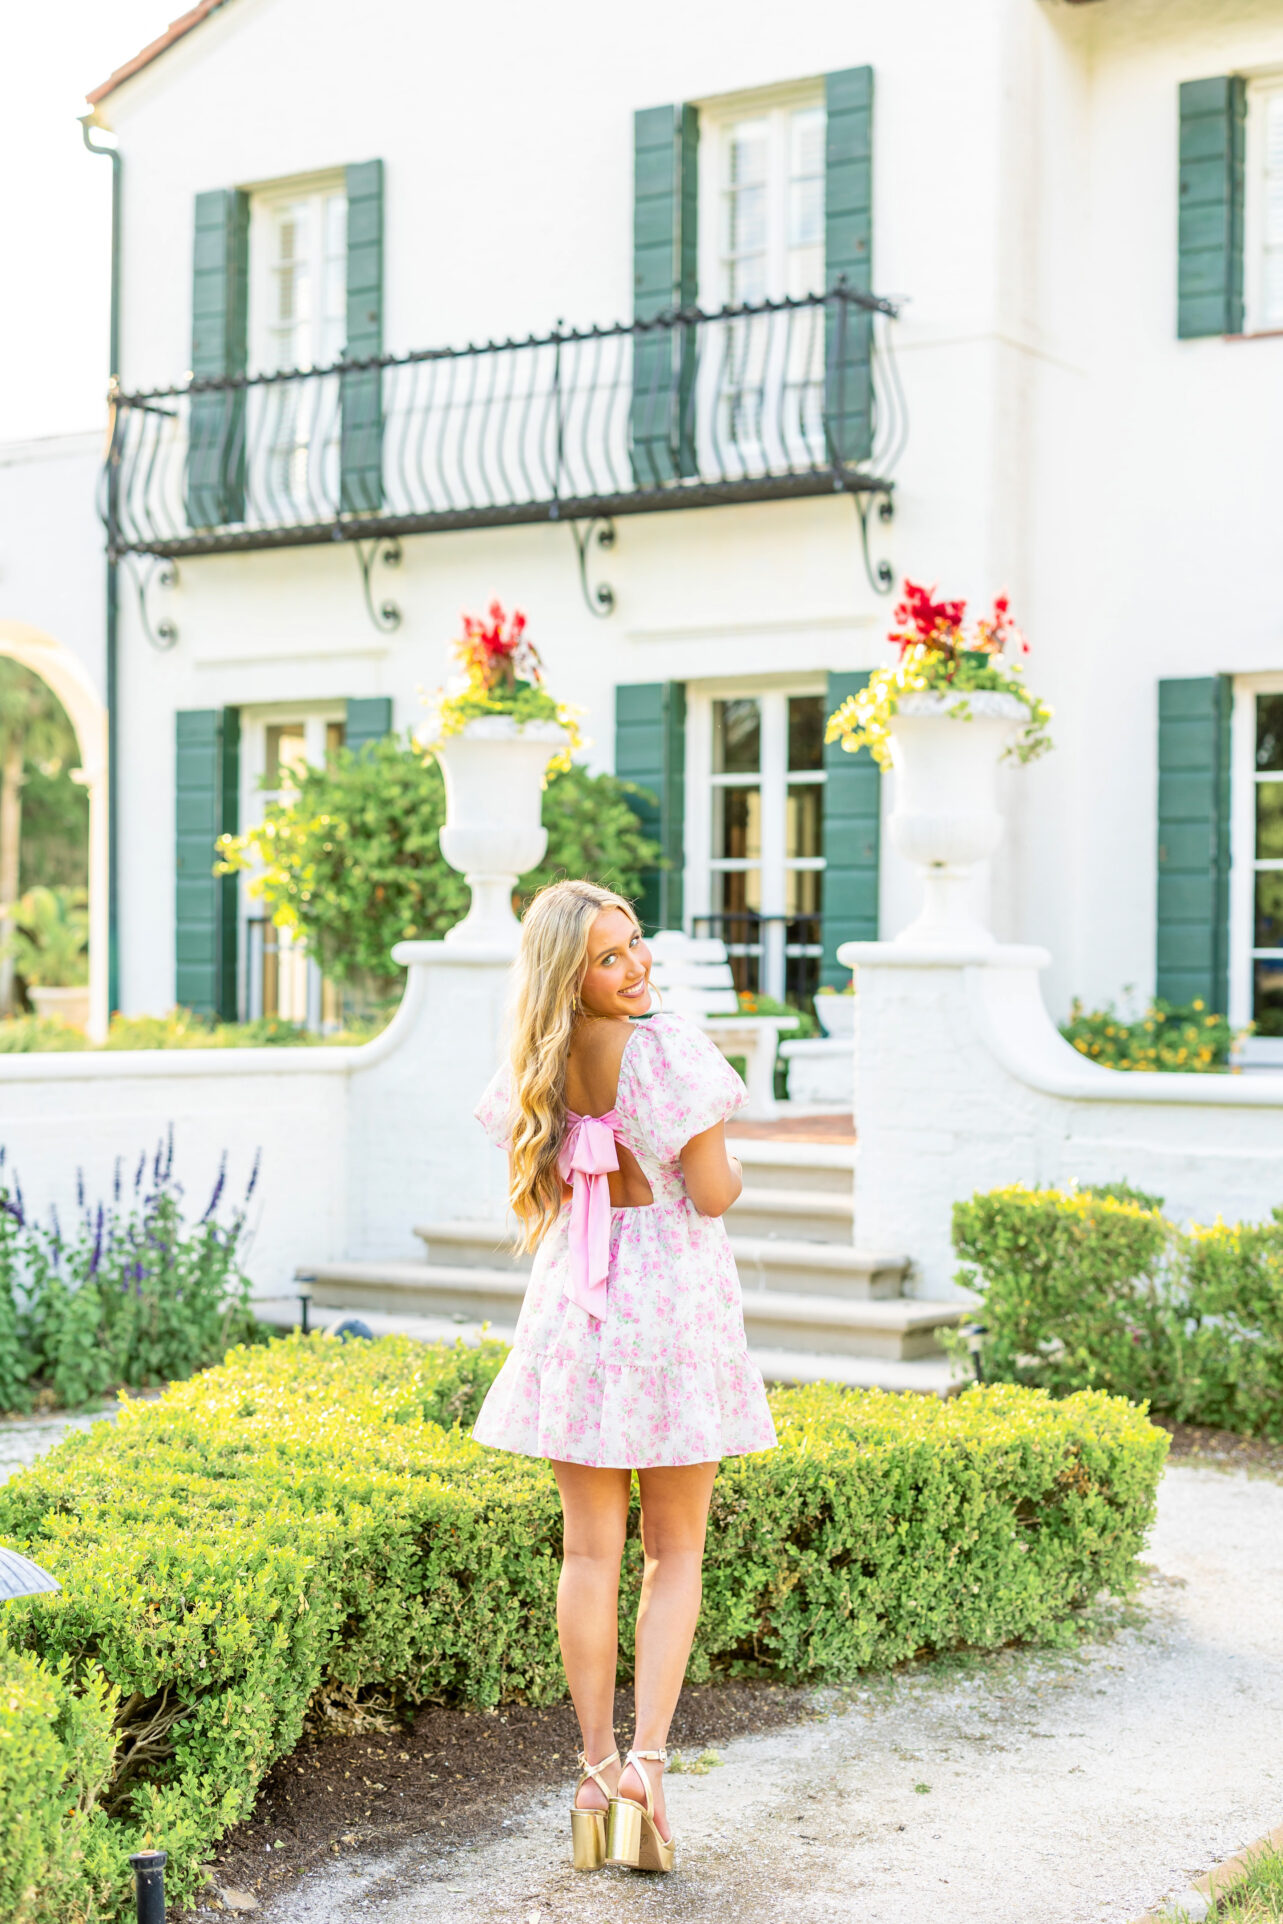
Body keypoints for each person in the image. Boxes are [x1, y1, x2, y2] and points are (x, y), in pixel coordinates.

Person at [471, 879, 777, 1873]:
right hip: (671, 1312)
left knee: (588, 1554)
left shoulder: (541, 1060)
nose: (636, 962)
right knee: (672, 1552)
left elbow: (557, 1179)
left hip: (578, 1307)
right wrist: (714, 1155)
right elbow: (716, 1192)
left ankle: (593, 1771)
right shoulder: (671, 1050)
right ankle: (647, 1765)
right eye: (609, 956)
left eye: (635, 941)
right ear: (575, 972)